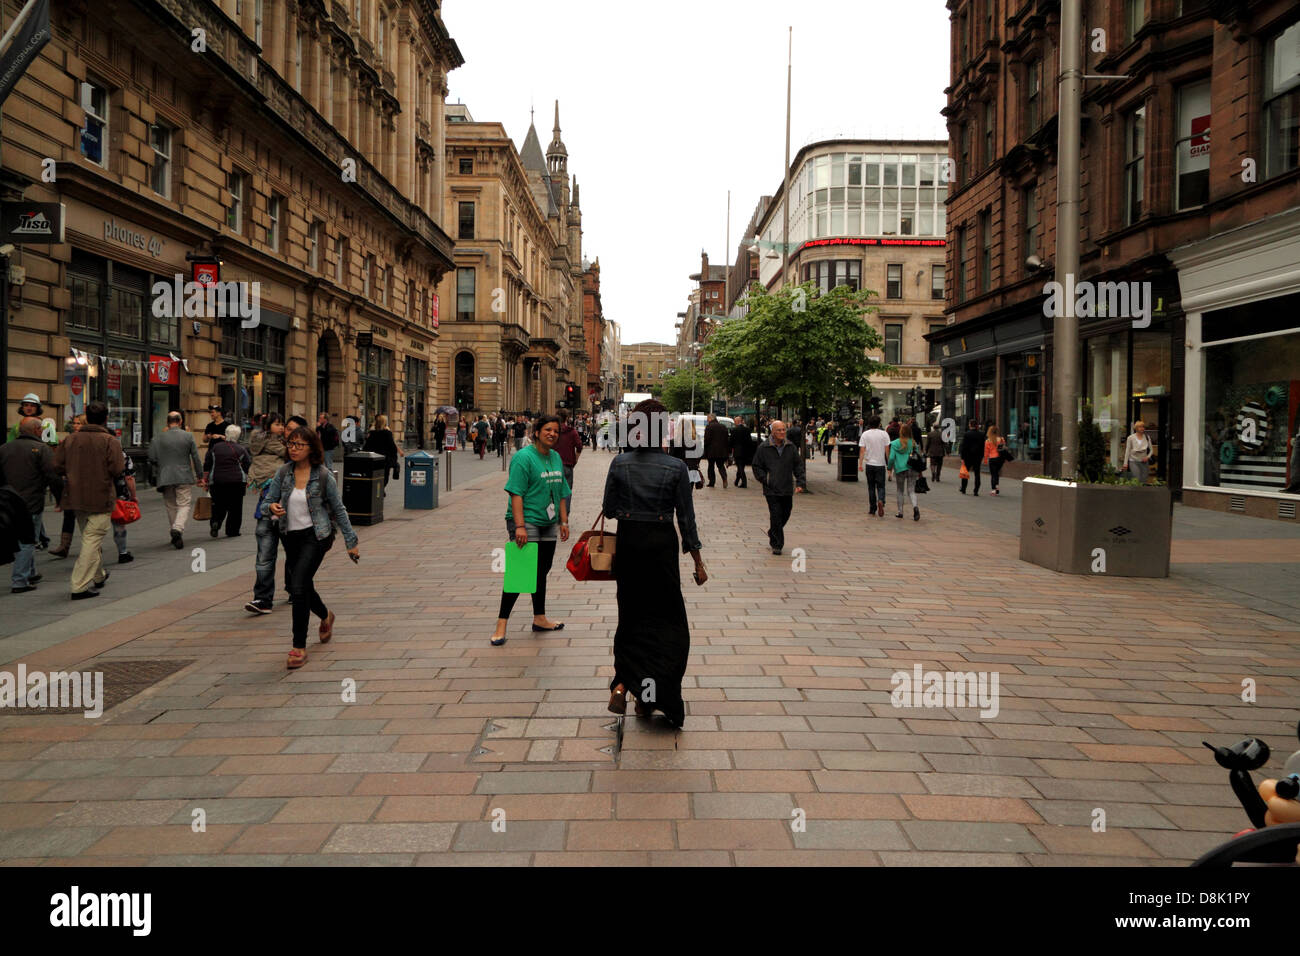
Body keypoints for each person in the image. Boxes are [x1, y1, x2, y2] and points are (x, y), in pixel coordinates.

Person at [602, 399, 705, 728]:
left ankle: (623, 684)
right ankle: (654, 699)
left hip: (630, 545)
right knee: (667, 622)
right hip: (661, 548)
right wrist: (698, 561)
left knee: (631, 617)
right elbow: (686, 520)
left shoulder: (619, 463)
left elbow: (610, 509)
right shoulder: (676, 467)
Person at [263, 426, 359, 669]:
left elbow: (339, 510)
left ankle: (298, 647)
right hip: (289, 536)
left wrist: (351, 542)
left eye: (299, 445)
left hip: (316, 536)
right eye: (290, 444)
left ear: (311, 448)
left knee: (297, 587)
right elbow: (267, 502)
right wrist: (271, 507)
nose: (293, 449)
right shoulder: (283, 473)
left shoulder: (324, 476)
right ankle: (326, 615)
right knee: (302, 585)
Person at [489, 414, 570, 646]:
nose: (552, 434)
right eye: (548, 430)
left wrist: (563, 521)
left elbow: (561, 491)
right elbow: (516, 493)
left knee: (541, 571)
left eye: (556, 431)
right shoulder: (523, 458)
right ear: (537, 432)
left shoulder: (555, 457)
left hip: (548, 521)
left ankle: (540, 618)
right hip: (526, 521)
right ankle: (501, 624)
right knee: (520, 572)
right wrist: (520, 526)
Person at [54, 401, 123, 600]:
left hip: (76, 496)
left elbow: (57, 465)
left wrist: (73, 471)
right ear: (105, 418)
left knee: (89, 536)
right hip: (101, 496)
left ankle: (99, 575)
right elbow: (117, 469)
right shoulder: (110, 441)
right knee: (92, 539)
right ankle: (79, 586)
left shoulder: (70, 439)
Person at [0, 417, 61, 593]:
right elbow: (53, 476)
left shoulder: (4, 448)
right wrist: (60, 498)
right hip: (31, 502)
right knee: (27, 540)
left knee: (24, 537)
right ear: (36, 430)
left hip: (7, 501)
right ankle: (20, 580)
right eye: (41, 429)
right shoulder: (41, 449)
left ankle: (31, 572)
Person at [245, 413, 290, 615]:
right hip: (270, 507)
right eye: (278, 424)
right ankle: (263, 599)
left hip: (282, 507)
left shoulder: (260, 442)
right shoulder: (279, 446)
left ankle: (294, 590)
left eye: (283, 425)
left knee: (292, 554)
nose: (282, 428)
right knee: (265, 554)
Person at [148, 411, 203, 549]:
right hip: (183, 475)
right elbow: (196, 457)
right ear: (180, 422)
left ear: (167, 422)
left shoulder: (157, 438)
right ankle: (177, 528)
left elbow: (152, 458)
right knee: (184, 504)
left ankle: (175, 531)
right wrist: (200, 475)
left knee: (171, 505)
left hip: (165, 476)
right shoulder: (188, 436)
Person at [752, 420, 805, 555]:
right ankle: (777, 544)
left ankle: (773, 531)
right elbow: (756, 466)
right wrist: (765, 479)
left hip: (786, 487)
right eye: (779, 430)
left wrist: (800, 483)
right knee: (775, 515)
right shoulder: (764, 447)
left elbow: (798, 466)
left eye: (783, 430)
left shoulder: (790, 447)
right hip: (771, 489)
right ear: (772, 432)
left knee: (786, 513)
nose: (782, 432)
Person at [48, 414, 85, 559]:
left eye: (79, 423)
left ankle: (92, 546)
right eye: (74, 423)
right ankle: (64, 545)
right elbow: (59, 461)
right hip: (71, 482)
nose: (75, 426)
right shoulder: (69, 440)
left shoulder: (87, 440)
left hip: (85, 483)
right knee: (69, 513)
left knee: (85, 516)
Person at [204, 424, 251, 537]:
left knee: (218, 504)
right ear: (238, 436)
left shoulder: (215, 448)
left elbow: (208, 463)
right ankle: (232, 530)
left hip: (217, 480)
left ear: (226, 434)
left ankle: (215, 521)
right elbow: (247, 464)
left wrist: (205, 479)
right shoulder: (241, 449)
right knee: (235, 507)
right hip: (237, 481)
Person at [888, 421, 921, 521]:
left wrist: (889, 467)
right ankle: (915, 507)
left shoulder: (895, 443)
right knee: (911, 490)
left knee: (900, 490)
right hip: (912, 468)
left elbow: (891, 458)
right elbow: (917, 457)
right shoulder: (913, 443)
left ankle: (900, 512)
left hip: (900, 468)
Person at [859, 415, 891, 518]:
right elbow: (887, 450)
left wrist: (860, 464)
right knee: (881, 486)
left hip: (869, 464)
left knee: (871, 487)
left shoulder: (865, 434)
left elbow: (862, 450)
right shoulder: (884, 434)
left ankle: (872, 508)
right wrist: (889, 463)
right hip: (880, 464)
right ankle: (881, 500)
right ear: (879, 424)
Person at [110, 448, 138, 563]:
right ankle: (122, 553)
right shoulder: (120, 453)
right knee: (119, 525)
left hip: (96, 495)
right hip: (118, 495)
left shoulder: (91, 451)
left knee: (95, 527)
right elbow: (129, 477)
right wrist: (133, 496)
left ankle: (94, 552)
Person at [362, 414, 402, 493]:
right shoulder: (387, 433)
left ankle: (376, 489)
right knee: (385, 476)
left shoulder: (372, 433)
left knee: (374, 475)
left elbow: (366, 447)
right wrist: (394, 459)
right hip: (385, 460)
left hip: (374, 459)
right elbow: (392, 447)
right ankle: (380, 489)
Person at [554, 411, 583, 515]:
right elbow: (579, 447)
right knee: (566, 491)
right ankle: (564, 514)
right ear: (567, 418)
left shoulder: (553, 432)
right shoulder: (572, 432)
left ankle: (552, 514)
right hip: (567, 465)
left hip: (553, 466)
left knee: (552, 490)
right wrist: (575, 460)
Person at [703, 412, 730, 489]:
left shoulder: (709, 427)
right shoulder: (723, 427)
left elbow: (707, 439)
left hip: (711, 450)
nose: (707, 420)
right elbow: (727, 439)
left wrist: (704, 447)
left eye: (707, 418)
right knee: (721, 466)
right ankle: (724, 478)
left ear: (711, 418)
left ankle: (712, 482)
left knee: (711, 466)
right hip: (721, 451)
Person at [1123, 420, 1153, 484]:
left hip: (1144, 461)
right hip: (1133, 461)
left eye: (1143, 427)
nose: (1142, 428)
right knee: (1137, 478)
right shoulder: (1130, 438)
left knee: (1144, 480)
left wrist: (1147, 457)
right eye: (1140, 427)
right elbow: (1127, 451)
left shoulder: (1147, 437)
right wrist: (1125, 463)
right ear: (1136, 428)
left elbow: (1151, 450)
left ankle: (1143, 490)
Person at [959, 419, 984, 495]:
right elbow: (983, 446)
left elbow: (964, 447)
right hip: (977, 457)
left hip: (968, 456)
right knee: (977, 474)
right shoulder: (981, 434)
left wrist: (962, 457)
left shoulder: (967, 434)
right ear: (976, 425)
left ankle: (963, 489)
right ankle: (976, 490)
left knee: (965, 473)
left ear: (970, 425)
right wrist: (982, 456)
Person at [731, 416, 754, 488]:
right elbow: (750, 441)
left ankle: (744, 482)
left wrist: (730, 450)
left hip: (737, 451)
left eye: (735, 421)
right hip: (745, 451)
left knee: (740, 467)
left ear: (737, 421)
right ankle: (737, 481)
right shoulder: (747, 430)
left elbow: (731, 441)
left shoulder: (734, 430)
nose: (734, 423)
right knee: (741, 466)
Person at [985, 424, 1007, 496]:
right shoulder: (1001, 439)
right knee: (996, 473)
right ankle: (996, 487)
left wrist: (985, 460)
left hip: (992, 459)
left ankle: (993, 490)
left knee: (993, 474)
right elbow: (1004, 448)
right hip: (1000, 459)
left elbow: (986, 452)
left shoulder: (988, 441)